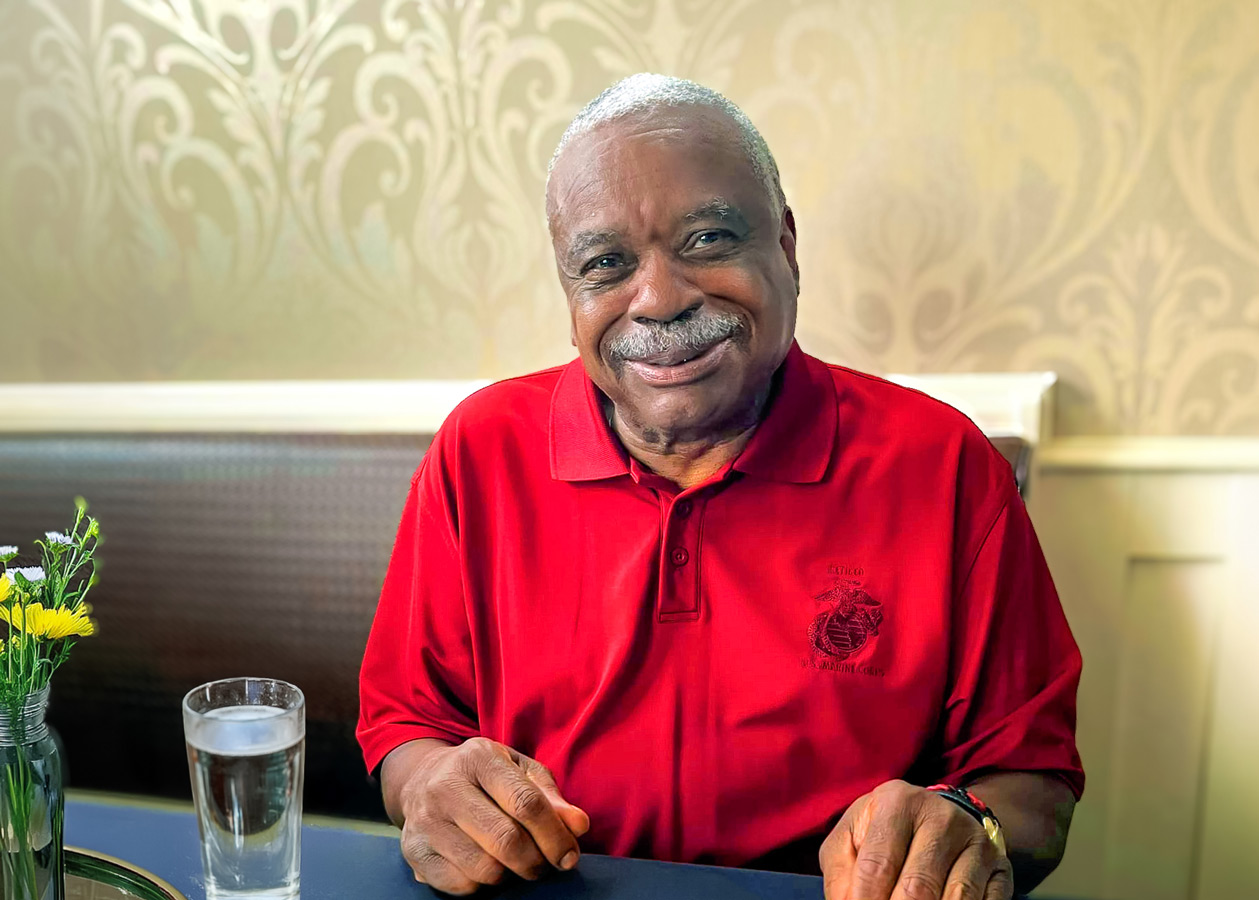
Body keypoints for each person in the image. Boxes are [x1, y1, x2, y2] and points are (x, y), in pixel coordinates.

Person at [358, 73, 1083, 900]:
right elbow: (407, 724)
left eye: (707, 240)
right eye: (605, 264)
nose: (660, 300)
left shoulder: (943, 465)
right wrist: (431, 789)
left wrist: (965, 823)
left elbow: (1033, 786)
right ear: (570, 293)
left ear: (785, 246)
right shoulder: (477, 452)